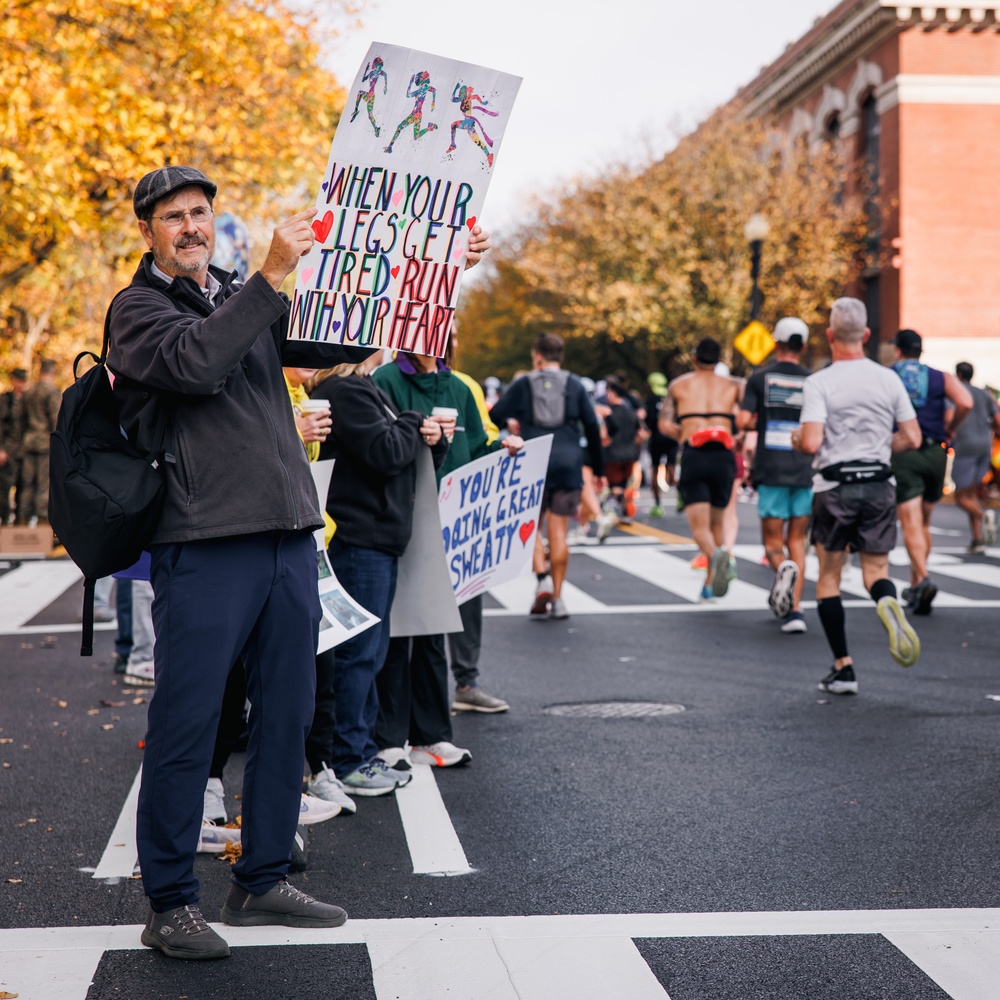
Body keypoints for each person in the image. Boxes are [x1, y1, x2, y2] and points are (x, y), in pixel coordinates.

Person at [106, 165, 371, 960]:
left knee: (287, 714)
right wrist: (269, 279)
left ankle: (260, 877)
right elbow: (195, 364)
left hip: (289, 532)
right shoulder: (139, 308)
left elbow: (334, 340)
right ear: (149, 232)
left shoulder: (237, 291)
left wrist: (423, 272)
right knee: (188, 724)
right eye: (175, 217)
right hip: (204, 541)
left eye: (202, 213)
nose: (192, 226)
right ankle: (169, 902)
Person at [371, 327, 522, 764]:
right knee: (396, 635)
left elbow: (478, 448)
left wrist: (504, 448)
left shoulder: (459, 387)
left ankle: (431, 736)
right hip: (400, 519)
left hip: (448, 527)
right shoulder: (385, 381)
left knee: (433, 632)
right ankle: (389, 739)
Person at [309, 353, 446, 792]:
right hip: (360, 537)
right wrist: (411, 421)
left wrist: (429, 439)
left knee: (368, 651)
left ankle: (359, 751)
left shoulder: (362, 388)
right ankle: (351, 757)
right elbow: (386, 454)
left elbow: (399, 453)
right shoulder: (347, 391)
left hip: (371, 537)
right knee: (359, 653)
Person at [792, 298, 922, 696]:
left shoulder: (819, 382)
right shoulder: (888, 379)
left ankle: (844, 667)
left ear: (830, 336)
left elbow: (811, 441)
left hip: (835, 489)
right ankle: (887, 602)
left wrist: (798, 439)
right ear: (866, 336)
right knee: (875, 574)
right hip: (879, 484)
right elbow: (914, 438)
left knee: (829, 578)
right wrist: (882, 446)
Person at [489, 333, 606, 620]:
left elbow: (496, 415)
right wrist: (599, 470)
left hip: (534, 458)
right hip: (568, 460)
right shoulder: (575, 384)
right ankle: (558, 596)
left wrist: (513, 423)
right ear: (561, 355)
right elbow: (591, 427)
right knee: (559, 531)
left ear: (537, 356)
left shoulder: (524, 383)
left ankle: (540, 578)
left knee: (531, 526)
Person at [737, 317, 815, 633]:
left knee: (773, 542)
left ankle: (781, 569)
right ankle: (794, 609)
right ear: (804, 346)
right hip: (804, 468)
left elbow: (743, 420)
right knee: (797, 540)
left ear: (777, 343)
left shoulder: (759, 378)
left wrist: (764, 423)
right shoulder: (814, 381)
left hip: (771, 469)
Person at [889, 330, 972, 614]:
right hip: (936, 452)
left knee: (911, 524)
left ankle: (922, 579)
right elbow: (966, 402)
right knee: (924, 523)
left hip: (905, 452)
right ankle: (916, 584)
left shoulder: (889, 375)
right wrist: (952, 428)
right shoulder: (940, 377)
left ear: (898, 350)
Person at [659, 338, 742, 601]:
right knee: (717, 522)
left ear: (694, 358)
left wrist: (685, 432)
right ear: (719, 361)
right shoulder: (735, 385)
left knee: (699, 527)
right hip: (723, 455)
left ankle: (717, 559)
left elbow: (664, 424)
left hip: (695, 454)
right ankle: (710, 580)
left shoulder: (678, 385)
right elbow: (746, 419)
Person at [950, 362, 1000, 553]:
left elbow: (949, 417)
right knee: (971, 494)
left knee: (961, 497)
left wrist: (951, 430)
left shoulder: (956, 393)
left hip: (965, 446)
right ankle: (977, 539)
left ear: (959, 375)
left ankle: (983, 515)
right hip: (984, 447)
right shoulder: (984, 394)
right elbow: (997, 421)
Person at [19, 358, 60, 526]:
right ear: (52, 372)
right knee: (44, 484)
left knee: (27, 484)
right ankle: (43, 527)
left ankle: (21, 524)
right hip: (45, 444)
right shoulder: (51, 391)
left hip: (29, 442)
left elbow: (21, 419)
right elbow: (55, 420)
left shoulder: (29, 391)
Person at [598, 376, 640, 534]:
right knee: (622, 485)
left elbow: (604, 435)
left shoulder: (609, 413)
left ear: (612, 393)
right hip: (629, 453)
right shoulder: (630, 412)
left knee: (614, 487)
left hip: (613, 454)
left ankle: (611, 513)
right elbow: (640, 433)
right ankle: (626, 511)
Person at [644, 372, 676, 518]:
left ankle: (657, 503)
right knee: (671, 467)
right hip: (671, 438)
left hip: (657, 439)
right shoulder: (671, 398)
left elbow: (648, 422)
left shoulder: (650, 400)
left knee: (655, 470)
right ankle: (681, 494)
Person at [0, 367, 28, 524]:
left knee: (23, 489)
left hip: (24, 451)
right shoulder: (5, 400)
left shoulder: (29, 400)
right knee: (4, 489)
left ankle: (19, 525)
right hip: (9, 450)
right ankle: (4, 522)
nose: (22, 384)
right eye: (19, 380)